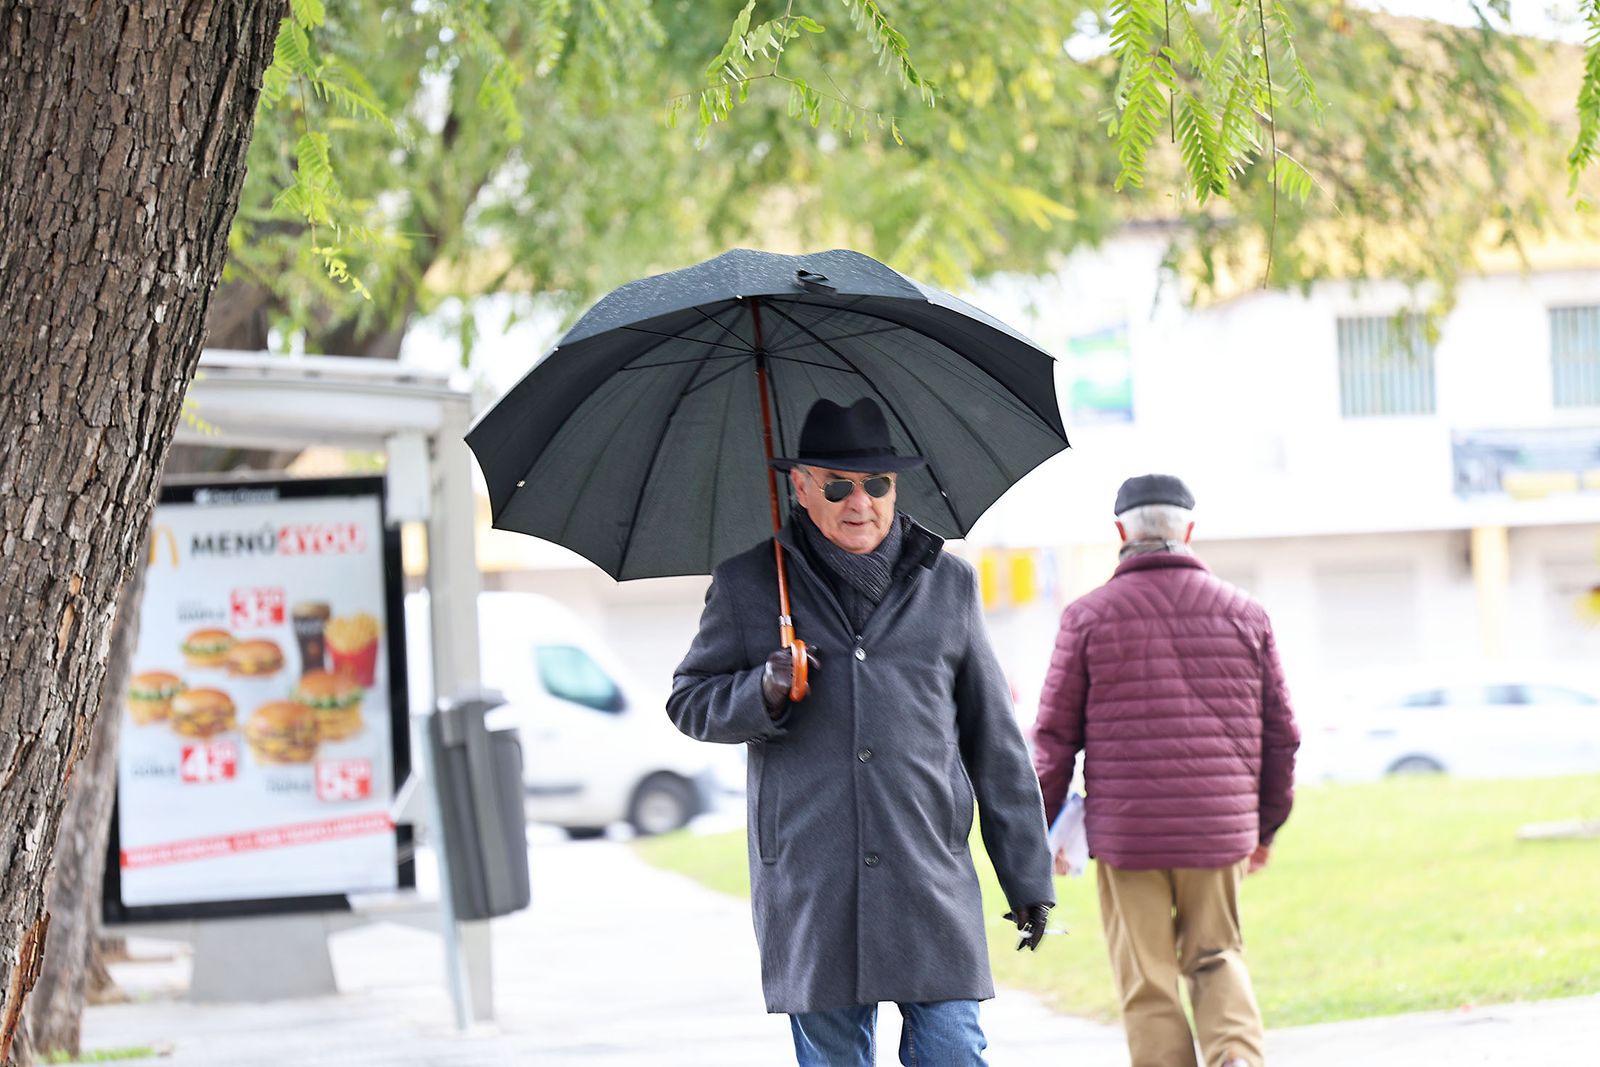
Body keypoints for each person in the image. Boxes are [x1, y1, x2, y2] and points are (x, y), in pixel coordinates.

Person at [668, 397, 1056, 1067]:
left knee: (953, 1053)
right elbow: (689, 702)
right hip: (813, 886)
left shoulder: (950, 585)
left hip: (927, 875)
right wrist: (762, 689)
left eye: (877, 485)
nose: (861, 503)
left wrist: (1026, 877)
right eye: (838, 485)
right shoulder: (751, 585)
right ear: (800, 486)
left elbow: (996, 744)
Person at [1032, 474, 1300, 1067]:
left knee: (1148, 981)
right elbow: (1284, 735)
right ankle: (1235, 1057)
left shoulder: (1087, 617)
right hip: (1218, 829)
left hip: (1129, 836)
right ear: (1190, 531)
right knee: (1217, 957)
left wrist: (1044, 830)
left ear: (1122, 532)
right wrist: (1265, 828)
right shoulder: (1246, 615)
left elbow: (1053, 739)